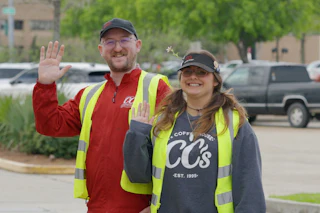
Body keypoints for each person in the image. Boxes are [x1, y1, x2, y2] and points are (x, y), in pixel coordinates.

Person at [32, 18, 171, 213]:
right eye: (110, 42)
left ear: (137, 45)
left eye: (124, 40)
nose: (117, 48)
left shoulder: (157, 87)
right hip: (97, 207)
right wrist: (45, 85)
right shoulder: (89, 95)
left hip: (141, 208)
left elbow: (175, 151)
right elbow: (50, 125)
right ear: (101, 49)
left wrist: (158, 206)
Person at [123, 50, 266, 213]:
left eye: (201, 72)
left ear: (215, 80)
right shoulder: (164, 119)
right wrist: (137, 134)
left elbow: (250, 188)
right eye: (187, 72)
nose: (193, 77)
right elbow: (139, 176)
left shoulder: (234, 122)